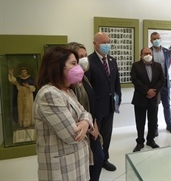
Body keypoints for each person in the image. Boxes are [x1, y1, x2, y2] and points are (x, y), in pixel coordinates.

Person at [33, 46, 94, 181]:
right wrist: (86, 120)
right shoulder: (50, 94)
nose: (78, 67)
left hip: (76, 164)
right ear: (57, 66)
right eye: (73, 63)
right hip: (62, 169)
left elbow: (85, 112)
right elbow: (72, 135)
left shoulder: (67, 90)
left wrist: (84, 121)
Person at [66, 42, 105, 181]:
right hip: (83, 130)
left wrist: (95, 125)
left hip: (91, 125)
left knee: (98, 159)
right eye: (79, 57)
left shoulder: (83, 77)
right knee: (93, 162)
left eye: (85, 55)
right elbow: (75, 111)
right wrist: (90, 128)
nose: (84, 59)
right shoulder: (69, 84)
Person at [85, 32, 122, 172]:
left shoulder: (112, 60)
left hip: (110, 105)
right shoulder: (89, 62)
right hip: (95, 108)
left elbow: (116, 82)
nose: (107, 45)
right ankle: (95, 161)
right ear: (95, 44)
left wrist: (118, 99)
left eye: (108, 41)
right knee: (95, 137)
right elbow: (87, 87)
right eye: (103, 42)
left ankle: (104, 159)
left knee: (107, 134)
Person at [131, 48, 165, 152]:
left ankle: (151, 140)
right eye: (145, 53)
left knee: (153, 121)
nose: (148, 55)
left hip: (154, 98)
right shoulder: (136, 66)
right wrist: (147, 91)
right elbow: (135, 80)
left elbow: (162, 80)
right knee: (140, 121)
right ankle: (140, 142)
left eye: (149, 53)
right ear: (141, 55)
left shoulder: (158, 66)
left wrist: (153, 91)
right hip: (140, 98)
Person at [150, 32, 171, 135]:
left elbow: (170, 65)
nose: (156, 40)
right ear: (151, 41)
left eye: (158, 38)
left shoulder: (167, 52)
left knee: (167, 105)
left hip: (165, 82)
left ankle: (169, 125)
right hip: (154, 84)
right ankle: (154, 127)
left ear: (160, 39)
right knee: (154, 106)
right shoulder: (149, 52)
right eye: (154, 39)